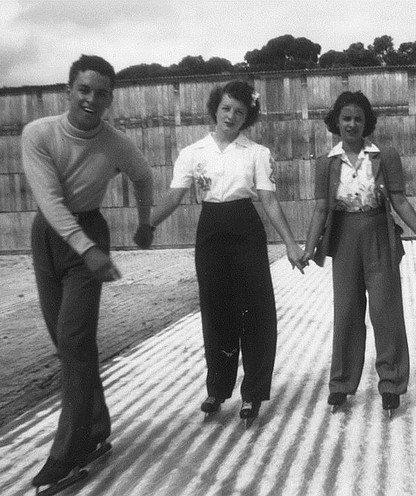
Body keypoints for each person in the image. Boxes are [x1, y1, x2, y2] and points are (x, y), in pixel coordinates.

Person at [22, 55, 155, 489]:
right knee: (68, 345)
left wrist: (143, 222)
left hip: (89, 233)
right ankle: (96, 427)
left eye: (101, 93)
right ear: (69, 89)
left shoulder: (116, 143)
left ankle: (68, 452)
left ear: (110, 99)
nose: (91, 99)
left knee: (76, 341)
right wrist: (86, 249)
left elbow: (143, 176)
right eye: (84, 89)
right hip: (51, 236)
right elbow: (51, 202)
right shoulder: (39, 134)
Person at [150, 81, 305, 425]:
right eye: (226, 109)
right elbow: (174, 196)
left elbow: (268, 200)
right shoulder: (194, 152)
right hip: (211, 231)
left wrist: (292, 244)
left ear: (247, 116)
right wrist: (148, 225)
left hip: (245, 228)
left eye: (239, 111)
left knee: (256, 312)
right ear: (214, 110)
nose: (231, 116)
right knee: (216, 310)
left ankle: (252, 393)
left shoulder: (256, 153)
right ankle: (217, 389)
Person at [301, 91, 416, 415]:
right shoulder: (327, 163)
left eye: (358, 119)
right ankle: (342, 384)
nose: (351, 124)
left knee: (385, 312)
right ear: (336, 122)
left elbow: (400, 201)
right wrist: (308, 247)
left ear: (367, 123)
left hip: (379, 236)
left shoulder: (385, 156)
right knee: (346, 312)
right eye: (346, 118)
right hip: (344, 239)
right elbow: (321, 209)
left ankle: (391, 384)